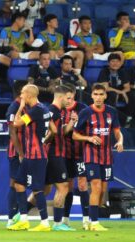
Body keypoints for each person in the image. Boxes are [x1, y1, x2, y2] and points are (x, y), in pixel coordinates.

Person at [73, 83, 124, 231]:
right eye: (95, 94)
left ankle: (91, 219)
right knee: (95, 186)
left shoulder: (111, 112)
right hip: (91, 155)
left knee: (102, 189)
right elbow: (75, 135)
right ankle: (94, 223)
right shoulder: (86, 112)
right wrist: (89, 139)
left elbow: (117, 131)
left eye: (101, 94)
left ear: (106, 95)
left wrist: (120, 141)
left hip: (107, 155)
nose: (98, 97)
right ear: (92, 95)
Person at [8, 84, 51, 232]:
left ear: (29, 95)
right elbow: (52, 129)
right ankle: (24, 220)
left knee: (37, 189)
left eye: (23, 94)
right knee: (19, 184)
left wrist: (20, 107)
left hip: (36, 156)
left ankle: (45, 223)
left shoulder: (36, 110)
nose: (21, 96)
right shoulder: (44, 109)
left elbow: (16, 123)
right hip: (30, 156)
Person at [55, 83, 89, 230]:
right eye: (66, 97)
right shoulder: (58, 109)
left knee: (82, 184)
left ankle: (86, 220)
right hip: (64, 153)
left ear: (74, 95)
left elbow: (89, 129)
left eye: (70, 97)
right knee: (67, 186)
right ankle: (66, 219)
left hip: (80, 153)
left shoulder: (83, 109)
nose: (68, 100)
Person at [44, 85, 76, 231]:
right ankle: (57, 223)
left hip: (53, 153)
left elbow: (60, 132)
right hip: (54, 153)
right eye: (68, 98)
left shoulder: (57, 111)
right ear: (60, 97)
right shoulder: (53, 112)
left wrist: (71, 123)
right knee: (63, 187)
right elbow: (49, 133)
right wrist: (51, 136)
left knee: (43, 190)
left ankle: (20, 215)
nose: (69, 101)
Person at [5, 81, 26, 229]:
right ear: (22, 92)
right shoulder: (14, 107)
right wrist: (20, 152)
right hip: (17, 152)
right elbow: (12, 131)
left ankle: (21, 214)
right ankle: (12, 218)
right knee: (15, 183)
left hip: (29, 151)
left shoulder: (29, 107)